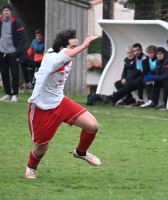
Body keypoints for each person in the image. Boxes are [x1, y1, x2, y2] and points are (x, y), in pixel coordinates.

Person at [25, 30, 101, 179]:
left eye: (76, 45)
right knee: (41, 149)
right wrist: (85, 45)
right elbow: (60, 58)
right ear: (62, 47)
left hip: (60, 102)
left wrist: (78, 47)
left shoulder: (66, 55)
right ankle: (31, 168)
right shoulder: (52, 58)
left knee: (92, 126)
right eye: (72, 46)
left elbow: (67, 56)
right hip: (42, 107)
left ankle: (81, 152)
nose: (75, 49)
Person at [0, 3, 26, 102]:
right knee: (4, 74)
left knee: (15, 74)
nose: (6, 12)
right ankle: (8, 94)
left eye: (8, 10)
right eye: (4, 10)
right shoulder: (0, 22)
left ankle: (15, 94)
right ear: (2, 12)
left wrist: (18, 52)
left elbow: (22, 38)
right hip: (2, 52)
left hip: (13, 53)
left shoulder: (16, 23)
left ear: (11, 12)